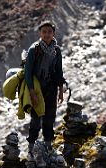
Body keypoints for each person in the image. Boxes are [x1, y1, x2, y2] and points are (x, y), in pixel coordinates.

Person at [24, 20, 65, 154]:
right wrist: (31, 91)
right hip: (37, 88)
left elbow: (59, 71)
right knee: (36, 119)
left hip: (51, 88)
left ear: (53, 34)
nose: (47, 34)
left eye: (49, 32)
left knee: (50, 117)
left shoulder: (56, 50)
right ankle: (31, 145)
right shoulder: (34, 50)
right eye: (44, 32)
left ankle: (48, 144)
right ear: (40, 33)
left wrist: (60, 91)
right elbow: (28, 72)